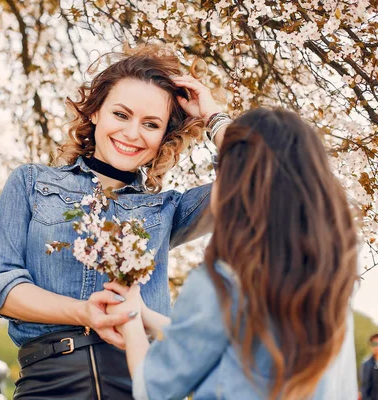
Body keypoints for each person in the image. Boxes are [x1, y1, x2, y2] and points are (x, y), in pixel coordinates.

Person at [0, 44, 229, 399]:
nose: (132, 133)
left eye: (151, 124)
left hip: (142, 383)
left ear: (162, 137)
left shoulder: (168, 210)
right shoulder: (31, 183)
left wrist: (212, 114)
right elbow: (2, 288)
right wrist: (85, 313)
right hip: (50, 383)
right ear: (95, 111)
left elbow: (259, 178)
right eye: (121, 115)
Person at [106, 108, 359, 400]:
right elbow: (223, 335)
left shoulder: (224, 281)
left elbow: (152, 388)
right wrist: (147, 316)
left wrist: (130, 317)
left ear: (233, 178)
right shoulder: (330, 285)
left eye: (218, 166)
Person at [361, 333, 378, 400]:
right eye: (374, 344)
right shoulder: (366, 364)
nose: (376, 347)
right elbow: (365, 387)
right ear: (371, 346)